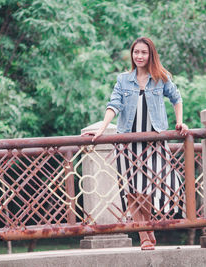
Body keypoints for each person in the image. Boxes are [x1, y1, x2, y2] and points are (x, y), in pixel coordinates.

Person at [82, 37, 188, 250]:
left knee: (148, 187)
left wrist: (179, 122)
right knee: (131, 189)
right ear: (132, 55)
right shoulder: (123, 80)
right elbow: (114, 104)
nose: (139, 56)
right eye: (136, 52)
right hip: (128, 142)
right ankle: (145, 235)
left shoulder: (160, 78)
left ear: (151, 55)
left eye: (144, 53)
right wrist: (103, 128)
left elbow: (176, 98)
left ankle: (147, 228)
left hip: (153, 142)